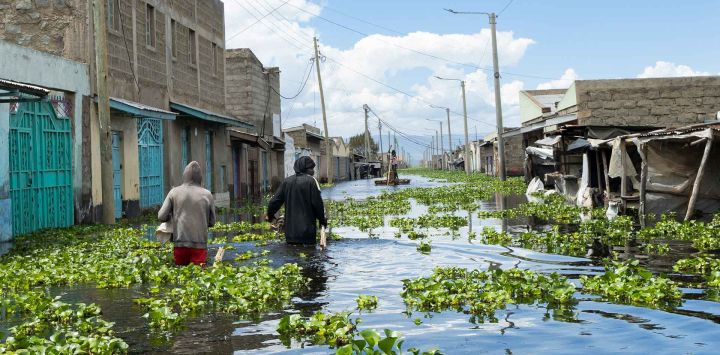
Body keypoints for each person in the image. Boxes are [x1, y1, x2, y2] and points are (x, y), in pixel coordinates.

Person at [158, 161, 216, 266]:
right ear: (200, 178)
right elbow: (212, 222)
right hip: (200, 246)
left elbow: (161, 216)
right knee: (198, 278)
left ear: (184, 176)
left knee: (181, 276)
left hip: (180, 245)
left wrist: (173, 216)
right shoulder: (208, 195)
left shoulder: (174, 192)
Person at [266, 156, 327, 245]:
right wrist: (322, 220)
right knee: (308, 255)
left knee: (292, 253)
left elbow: (274, 202)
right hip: (307, 233)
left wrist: (270, 215)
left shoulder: (287, 182)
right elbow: (317, 204)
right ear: (305, 169)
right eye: (311, 168)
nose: (313, 171)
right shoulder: (311, 182)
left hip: (290, 233)